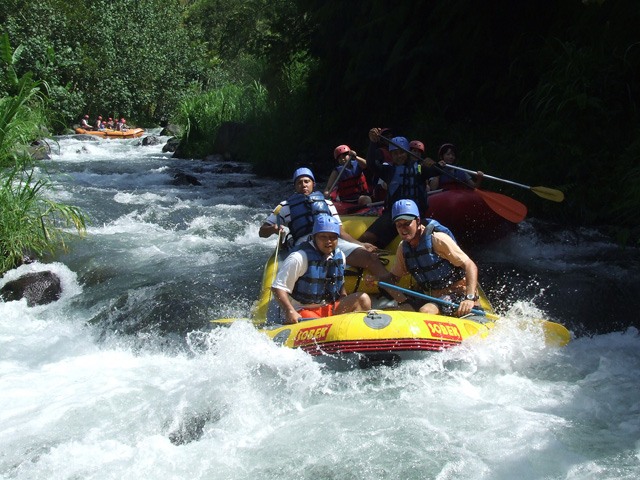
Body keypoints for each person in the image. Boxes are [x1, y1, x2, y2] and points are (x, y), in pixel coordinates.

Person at [259, 167, 390, 279]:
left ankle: (398, 297)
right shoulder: (285, 206)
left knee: (370, 258)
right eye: (299, 182)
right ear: (295, 186)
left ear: (313, 184)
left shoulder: (327, 204)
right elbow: (262, 232)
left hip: (331, 241)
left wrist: (361, 244)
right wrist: (273, 229)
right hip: (306, 244)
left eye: (307, 181)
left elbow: (341, 232)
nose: (304, 185)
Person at [370, 199, 480, 317]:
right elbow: (393, 278)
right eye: (399, 225)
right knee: (394, 312)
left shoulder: (437, 239)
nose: (403, 229)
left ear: (417, 221)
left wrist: (469, 298)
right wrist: (378, 280)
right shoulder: (403, 248)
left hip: (458, 294)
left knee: (426, 311)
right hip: (432, 298)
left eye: (407, 224)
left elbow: (470, 266)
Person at [272, 215, 372, 324]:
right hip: (303, 310)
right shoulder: (299, 258)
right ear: (314, 237)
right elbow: (278, 288)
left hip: (330, 307)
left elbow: (340, 284)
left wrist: (343, 299)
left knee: (363, 299)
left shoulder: (340, 256)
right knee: (320, 323)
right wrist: (289, 311)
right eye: (323, 237)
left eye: (332, 237)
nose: (328, 241)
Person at [358, 128, 443, 248]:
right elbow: (371, 164)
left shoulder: (419, 168)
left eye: (402, 152)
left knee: (428, 241)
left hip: (415, 216)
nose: (399, 156)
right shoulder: (388, 170)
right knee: (366, 238)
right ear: (391, 155)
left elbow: (435, 171)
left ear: (407, 153)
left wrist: (436, 164)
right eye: (395, 153)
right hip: (393, 215)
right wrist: (372, 143)